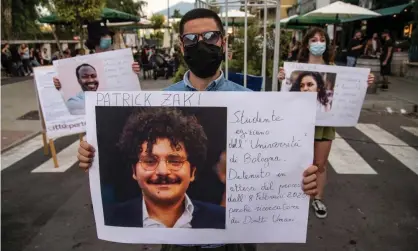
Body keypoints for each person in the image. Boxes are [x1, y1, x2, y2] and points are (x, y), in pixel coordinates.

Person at [78, 8, 320, 251]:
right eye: (191, 39)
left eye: (211, 37)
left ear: (223, 42)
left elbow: (278, 164)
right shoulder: (161, 101)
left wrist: (301, 180)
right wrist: (90, 155)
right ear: (182, 48)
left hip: (235, 240)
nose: (201, 44)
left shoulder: (250, 100)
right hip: (178, 244)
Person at [279, 27, 375, 219]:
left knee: (320, 164)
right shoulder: (295, 69)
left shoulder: (334, 68)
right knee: (296, 162)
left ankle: (317, 198)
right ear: (307, 44)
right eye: (313, 40)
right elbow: (285, 97)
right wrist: (281, 78)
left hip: (324, 124)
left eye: (321, 39)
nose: (318, 43)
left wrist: (366, 81)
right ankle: (293, 198)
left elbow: (348, 92)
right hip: (299, 125)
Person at [107, 108, 225, 229]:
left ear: (192, 172)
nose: (163, 171)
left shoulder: (222, 220)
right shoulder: (109, 219)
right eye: (150, 161)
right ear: (134, 171)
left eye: (175, 161)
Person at [53, 23, 140, 90]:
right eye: (103, 35)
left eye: (108, 35)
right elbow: (68, 84)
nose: (107, 38)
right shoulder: (83, 62)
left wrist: (134, 70)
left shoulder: (121, 59)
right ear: (95, 41)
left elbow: (129, 81)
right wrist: (60, 84)